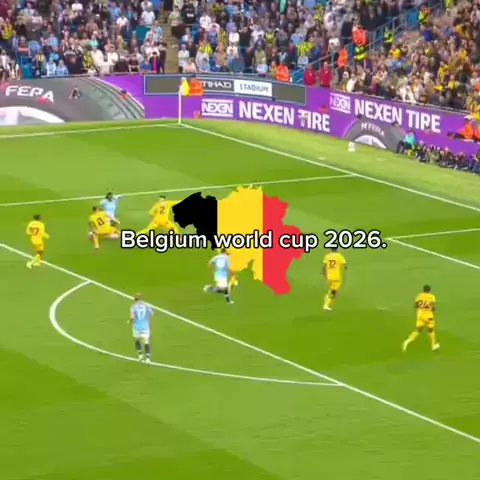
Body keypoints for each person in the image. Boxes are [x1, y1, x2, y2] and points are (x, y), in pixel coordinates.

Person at [402, 285, 440, 352]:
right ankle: (433, 345)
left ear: (423, 289)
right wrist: (432, 310)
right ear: (429, 290)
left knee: (418, 330)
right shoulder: (431, 296)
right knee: (431, 330)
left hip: (420, 315)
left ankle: (407, 341)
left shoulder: (419, 296)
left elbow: (415, 305)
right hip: (428, 316)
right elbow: (433, 307)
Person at [129, 294, 154, 364]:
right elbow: (152, 314)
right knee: (146, 341)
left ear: (135, 300)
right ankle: (148, 358)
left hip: (137, 327)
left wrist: (130, 322)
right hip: (145, 327)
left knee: (136, 339)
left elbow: (132, 317)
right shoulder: (147, 306)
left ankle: (140, 355)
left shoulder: (133, 307)